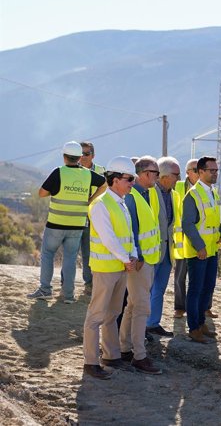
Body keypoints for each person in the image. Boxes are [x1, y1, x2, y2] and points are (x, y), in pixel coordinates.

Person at [81, 156, 138, 379]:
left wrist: (132, 255)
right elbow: (108, 238)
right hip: (106, 268)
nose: (132, 183)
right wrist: (127, 258)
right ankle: (91, 362)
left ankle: (111, 357)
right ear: (115, 179)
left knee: (113, 314)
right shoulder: (100, 205)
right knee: (96, 316)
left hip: (120, 267)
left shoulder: (121, 203)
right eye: (129, 179)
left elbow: (128, 235)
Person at [28, 141, 105, 303]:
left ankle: (45, 290)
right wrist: (90, 199)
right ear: (79, 157)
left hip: (56, 223)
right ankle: (69, 295)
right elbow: (104, 183)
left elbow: (42, 193)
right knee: (70, 258)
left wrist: (57, 190)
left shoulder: (59, 172)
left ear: (64, 157)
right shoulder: (88, 174)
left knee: (48, 254)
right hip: (77, 224)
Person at [117, 156, 162, 374]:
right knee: (141, 307)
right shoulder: (133, 197)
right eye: (155, 173)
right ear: (144, 174)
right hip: (140, 262)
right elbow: (131, 229)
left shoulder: (145, 194)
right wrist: (139, 256)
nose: (157, 177)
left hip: (146, 260)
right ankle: (139, 355)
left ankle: (125, 348)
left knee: (133, 305)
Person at [181, 156, 221, 344]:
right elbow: (187, 224)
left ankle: (201, 323)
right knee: (196, 290)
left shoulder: (213, 192)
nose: (215, 173)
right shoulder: (193, 195)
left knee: (208, 288)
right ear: (200, 172)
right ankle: (193, 328)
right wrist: (199, 246)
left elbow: (215, 219)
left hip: (211, 250)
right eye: (211, 170)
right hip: (198, 252)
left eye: (216, 170)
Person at [146, 156, 181, 337]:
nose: (179, 178)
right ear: (164, 176)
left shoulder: (174, 195)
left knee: (159, 289)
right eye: (176, 174)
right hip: (152, 251)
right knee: (147, 290)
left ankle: (153, 323)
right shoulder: (150, 192)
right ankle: (142, 325)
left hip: (167, 252)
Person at [172, 158, 199, 318]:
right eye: (195, 169)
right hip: (182, 239)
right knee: (180, 276)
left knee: (201, 277)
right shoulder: (178, 186)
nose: (199, 172)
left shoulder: (208, 188)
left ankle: (204, 307)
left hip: (201, 239)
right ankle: (180, 307)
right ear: (188, 172)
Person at [78, 141, 105, 296]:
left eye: (86, 153)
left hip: (94, 220)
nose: (83, 156)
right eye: (80, 153)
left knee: (89, 253)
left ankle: (89, 284)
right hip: (74, 218)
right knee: (71, 253)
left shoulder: (102, 171)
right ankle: (65, 285)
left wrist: (90, 202)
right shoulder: (72, 170)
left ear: (93, 156)